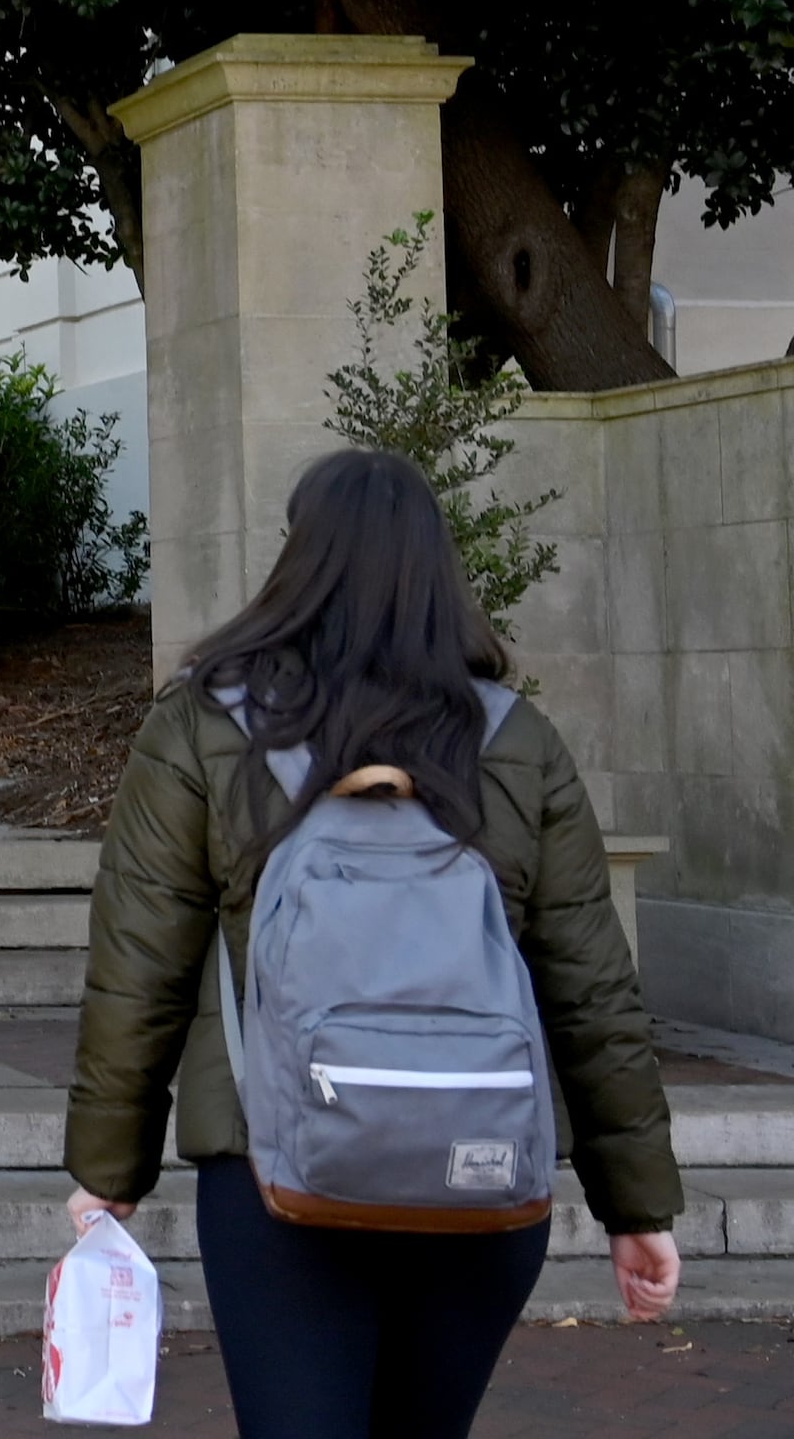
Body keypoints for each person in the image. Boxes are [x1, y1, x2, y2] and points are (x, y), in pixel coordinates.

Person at [64, 449, 681, 1439]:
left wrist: (108, 1170)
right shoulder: (516, 739)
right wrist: (637, 1205)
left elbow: (140, 969)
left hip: (277, 1171)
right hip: (477, 1164)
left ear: (295, 560)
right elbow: (592, 989)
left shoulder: (202, 727)